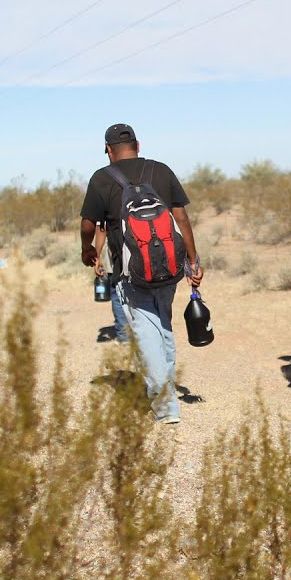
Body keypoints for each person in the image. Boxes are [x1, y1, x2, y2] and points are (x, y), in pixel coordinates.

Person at [80, 123, 204, 424]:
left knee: (147, 332)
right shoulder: (160, 171)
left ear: (108, 149)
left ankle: (165, 406)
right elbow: (182, 218)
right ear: (138, 144)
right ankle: (166, 388)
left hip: (131, 273)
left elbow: (88, 224)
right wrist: (193, 261)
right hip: (169, 267)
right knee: (163, 324)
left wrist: (87, 249)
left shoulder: (101, 178)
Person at [93, 224, 129, 344]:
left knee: (118, 297)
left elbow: (101, 228)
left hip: (116, 256)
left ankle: (125, 338)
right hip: (142, 252)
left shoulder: (107, 204)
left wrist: (96, 256)